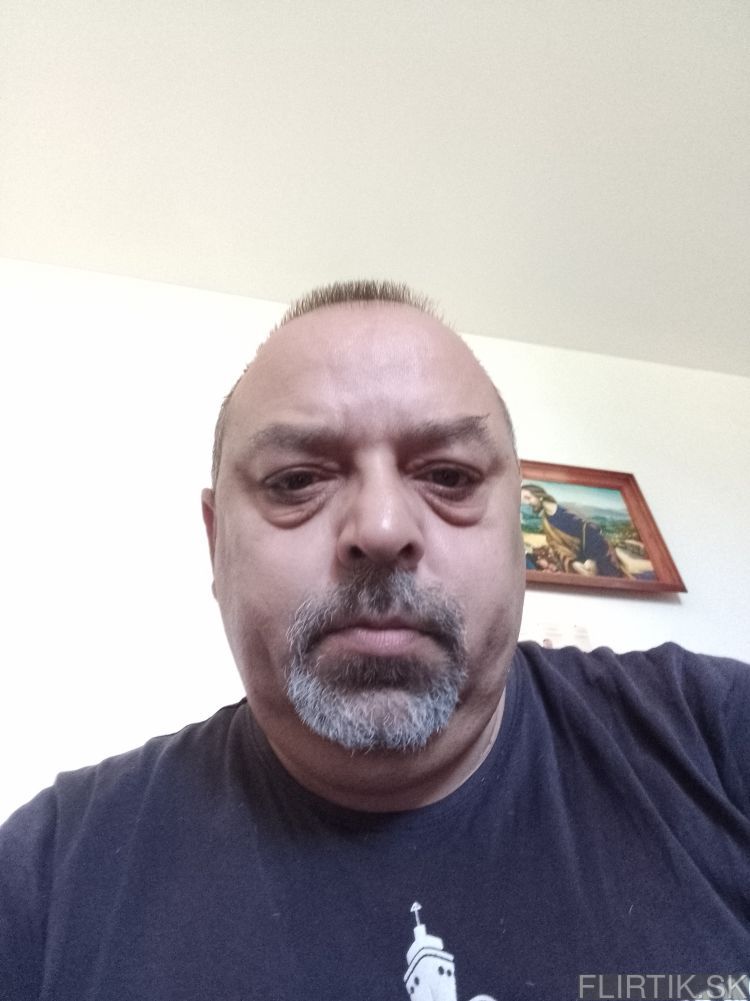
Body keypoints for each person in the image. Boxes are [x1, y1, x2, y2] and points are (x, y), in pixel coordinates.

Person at [1, 280, 748, 1001]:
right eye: (296, 481)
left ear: (519, 533)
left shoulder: (716, 739)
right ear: (215, 542)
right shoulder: (48, 877)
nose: (383, 528)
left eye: (449, 475)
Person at [521, 483, 625, 577]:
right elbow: (557, 547)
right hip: (578, 564)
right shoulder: (546, 521)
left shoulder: (567, 511)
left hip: (599, 557)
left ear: (539, 496)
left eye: (528, 498)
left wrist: (592, 560)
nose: (527, 503)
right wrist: (572, 563)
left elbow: (592, 533)